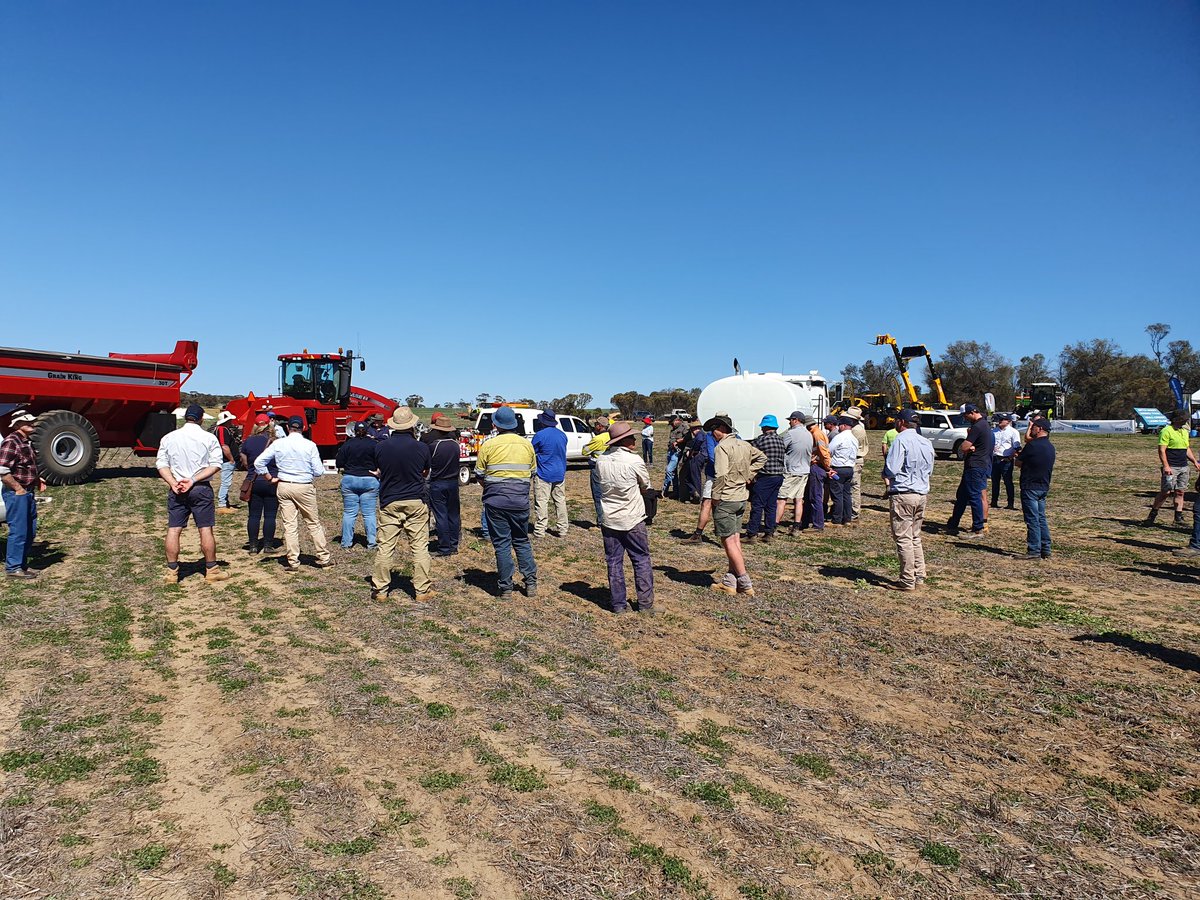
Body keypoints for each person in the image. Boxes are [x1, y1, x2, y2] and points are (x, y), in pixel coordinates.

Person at [155, 404, 229, 583]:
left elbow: (161, 464)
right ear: (201, 418)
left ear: (186, 417)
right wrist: (193, 480)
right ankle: (211, 569)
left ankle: (172, 571)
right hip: (200, 488)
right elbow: (216, 464)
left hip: (177, 488)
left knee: (174, 529)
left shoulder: (169, 438)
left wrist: (173, 482)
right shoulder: (208, 438)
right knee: (205, 528)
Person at [253, 415, 332, 571]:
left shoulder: (279, 444)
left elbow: (258, 462)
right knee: (313, 524)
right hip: (304, 486)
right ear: (303, 428)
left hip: (284, 485)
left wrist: (269, 477)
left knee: (290, 525)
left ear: (288, 428)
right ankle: (324, 558)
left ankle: (293, 561)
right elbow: (318, 471)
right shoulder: (310, 445)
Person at [475, 405, 538, 599]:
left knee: (502, 544)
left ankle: (506, 588)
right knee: (521, 541)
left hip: (495, 502)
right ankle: (531, 583)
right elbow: (532, 472)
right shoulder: (526, 445)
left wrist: (491, 489)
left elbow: (479, 474)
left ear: (495, 424)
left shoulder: (488, 445)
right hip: (520, 501)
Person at [371, 407, 434, 599]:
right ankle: (422, 590)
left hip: (390, 500)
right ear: (412, 425)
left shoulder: (380, 447)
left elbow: (379, 469)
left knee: (385, 547)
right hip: (415, 499)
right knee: (420, 547)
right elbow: (425, 472)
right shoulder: (422, 447)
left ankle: (380, 590)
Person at [595, 421, 655, 615]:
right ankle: (645, 604)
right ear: (624, 440)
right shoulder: (634, 460)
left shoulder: (601, 460)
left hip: (610, 517)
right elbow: (646, 485)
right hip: (632, 517)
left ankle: (618, 604)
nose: (635, 439)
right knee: (641, 559)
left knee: (614, 561)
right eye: (632, 436)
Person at [708, 415, 766, 596]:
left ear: (722, 428)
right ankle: (730, 582)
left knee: (728, 541)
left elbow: (721, 475)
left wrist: (715, 497)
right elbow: (761, 458)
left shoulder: (721, 448)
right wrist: (748, 475)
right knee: (734, 539)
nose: (712, 433)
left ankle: (745, 581)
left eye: (713, 429)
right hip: (741, 497)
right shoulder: (745, 444)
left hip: (726, 497)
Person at [882, 410, 934, 590]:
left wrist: (886, 475)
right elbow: (930, 469)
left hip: (904, 493)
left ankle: (907, 580)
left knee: (903, 538)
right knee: (914, 536)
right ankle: (919, 575)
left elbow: (891, 468)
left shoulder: (900, 440)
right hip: (921, 494)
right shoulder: (926, 442)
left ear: (901, 422)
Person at [0, 411, 46, 579]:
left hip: (27, 491)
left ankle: (22, 565)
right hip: (16, 494)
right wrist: (18, 489)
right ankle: (13, 568)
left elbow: (24, 466)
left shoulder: (26, 442)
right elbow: (3, 471)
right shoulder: (11, 442)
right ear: (18, 425)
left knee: (30, 530)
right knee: (19, 531)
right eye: (28, 422)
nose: (32, 424)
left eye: (32, 421)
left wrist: (37, 479)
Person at [946, 403, 994, 536]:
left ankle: (978, 527)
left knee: (974, 496)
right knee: (962, 496)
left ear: (972, 412)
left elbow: (964, 447)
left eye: (965, 415)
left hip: (975, 466)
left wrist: (968, 445)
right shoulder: (984, 425)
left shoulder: (978, 426)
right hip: (979, 464)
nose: (965, 418)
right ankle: (953, 523)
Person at [1145, 410, 1199, 527]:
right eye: (1184, 419)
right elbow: (1162, 450)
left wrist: (1194, 461)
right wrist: (1166, 466)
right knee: (1166, 492)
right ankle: (1153, 514)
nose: (1186, 420)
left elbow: (1186, 448)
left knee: (1180, 491)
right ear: (1177, 419)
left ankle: (1178, 517)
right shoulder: (1166, 431)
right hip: (1171, 467)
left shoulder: (1184, 432)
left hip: (1183, 466)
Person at [1015, 417, 1056, 560]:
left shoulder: (1032, 446)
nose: (1031, 429)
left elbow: (1018, 463)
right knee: (1041, 518)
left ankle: (1034, 550)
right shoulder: (1050, 447)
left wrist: (1016, 457)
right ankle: (1046, 548)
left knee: (1032, 519)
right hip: (1043, 486)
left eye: (1033, 427)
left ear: (1039, 429)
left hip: (1030, 486)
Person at [335, 421, 380, 549]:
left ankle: (346, 542)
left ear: (353, 431)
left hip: (350, 479)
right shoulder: (374, 445)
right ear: (368, 431)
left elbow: (339, 463)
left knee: (349, 513)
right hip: (369, 479)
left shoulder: (347, 444)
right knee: (369, 513)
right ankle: (371, 542)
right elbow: (380, 461)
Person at [239, 414, 279, 553]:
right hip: (271, 481)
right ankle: (268, 545)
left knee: (254, 515)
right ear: (270, 425)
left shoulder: (248, 442)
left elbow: (244, 461)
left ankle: (253, 546)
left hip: (254, 481)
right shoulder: (275, 442)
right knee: (270, 515)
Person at [426, 415, 462, 555]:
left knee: (441, 515)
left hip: (438, 482)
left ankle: (444, 547)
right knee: (453, 514)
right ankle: (454, 545)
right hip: (453, 482)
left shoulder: (433, 446)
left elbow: (428, 464)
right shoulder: (455, 445)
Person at [747, 414, 785, 542]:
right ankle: (769, 532)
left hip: (765, 477)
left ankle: (752, 534)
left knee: (757, 505)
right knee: (771, 506)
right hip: (778, 476)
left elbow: (750, 453)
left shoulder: (761, 440)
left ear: (765, 427)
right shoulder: (781, 440)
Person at [531, 410, 569, 538]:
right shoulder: (562, 435)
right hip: (559, 472)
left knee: (542, 501)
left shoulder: (539, 435)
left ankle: (540, 530)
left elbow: (532, 451)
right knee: (560, 501)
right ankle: (563, 529)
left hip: (543, 473)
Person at [777, 410, 813, 536]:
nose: (789, 422)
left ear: (795, 420)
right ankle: (796, 526)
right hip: (804, 470)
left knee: (781, 499)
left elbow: (781, 448)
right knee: (799, 500)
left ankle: (774, 526)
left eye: (790, 420)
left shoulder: (790, 434)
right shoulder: (809, 434)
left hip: (791, 470)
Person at [683, 420, 718, 542]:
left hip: (710, 470)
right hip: (726, 475)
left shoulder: (706, 435)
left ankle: (698, 533)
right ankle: (723, 533)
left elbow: (710, 455)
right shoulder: (736, 437)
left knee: (707, 502)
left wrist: (692, 452)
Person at [827, 416, 859, 526]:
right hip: (849, 468)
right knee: (847, 494)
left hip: (838, 468)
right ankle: (847, 518)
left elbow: (829, 450)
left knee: (837, 495)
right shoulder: (854, 439)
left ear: (843, 426)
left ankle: (836, 519)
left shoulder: (839, 437)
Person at [803, 415, 832, 532]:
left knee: (815, 496)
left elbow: (823, 452)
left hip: (817, 467)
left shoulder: (816, 434)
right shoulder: (818, 433)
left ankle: (818, 524)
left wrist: (828, 467)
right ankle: (807, 521)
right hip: (818, 466)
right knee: (811, 496)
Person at [583, 416, 611, 527]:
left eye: (596, 425)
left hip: (597, 467)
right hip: (609, 467)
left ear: (600, 426)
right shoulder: (611, 436)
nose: (595, 426)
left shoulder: (597, 439)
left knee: (598, 495)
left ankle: (601, 521)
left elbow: (585, 451)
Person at [990, 413, 1022, 511]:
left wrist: (1010, 457)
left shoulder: (1013, 432)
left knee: (1008, 482)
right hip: (995, 459)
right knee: (995, 482)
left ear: (1008, 421)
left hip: (1006, 460)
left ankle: (1010, 503)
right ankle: (994, 501)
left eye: (1002, 420)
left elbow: (1017, 447)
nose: (999, 421)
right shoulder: (993, 431)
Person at [843, 406, 869, 522]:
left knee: (854, 487)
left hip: (855, 459)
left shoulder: (856, 430)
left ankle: (854, 511)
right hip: (854, 458)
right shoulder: (858, 427)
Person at [214, 409, 243, 512]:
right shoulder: (222, 429)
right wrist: (231, 459)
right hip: (227, 460)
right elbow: (224, 445)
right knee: (226, 482)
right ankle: (222, 504)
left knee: (226, 482)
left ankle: (225, 502)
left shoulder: (222, 429)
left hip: (227, 460)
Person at [661, 414, 688, 496]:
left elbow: (688, 437)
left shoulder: (684, 427)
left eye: (672, 423)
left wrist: (678, 441)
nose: (671, 425)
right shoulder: (673, 429)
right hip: (671, 451)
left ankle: (664, 490)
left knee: (669, 470)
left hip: (677, 452)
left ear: (677, 420)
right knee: (673, 472)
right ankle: (676, 491)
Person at [681, 418, 705, 503]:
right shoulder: (701, 434)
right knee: (693, 476)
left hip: (697, 457)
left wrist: (693, 451)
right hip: (699, 457)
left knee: (694, 476)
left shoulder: (700, 435)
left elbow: (699, 441)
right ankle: (695, 493)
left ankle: (696, 494)